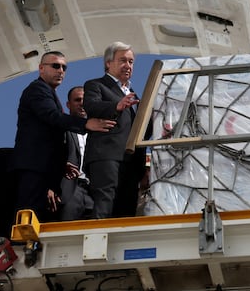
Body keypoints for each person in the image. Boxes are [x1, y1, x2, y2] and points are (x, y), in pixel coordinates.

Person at [11, 51, 116, 222]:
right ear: (41, 68)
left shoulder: (49, 93)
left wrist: (61, 165)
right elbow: (52, 116)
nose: (60, 70)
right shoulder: (37, 89)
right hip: (34, 168)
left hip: (45, 170)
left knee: (37, 220)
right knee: (28, 217)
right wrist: (86, 124)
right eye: (55, 66)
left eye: (64, 67)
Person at [83, 41, 151, 219]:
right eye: (122, 60)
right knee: (105, 205)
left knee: (127, 209)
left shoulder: (133, 94)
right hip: (106, 157)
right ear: (108, 63)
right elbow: (91, 106)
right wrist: (117, 106)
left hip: (132, 162)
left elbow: (139, 130)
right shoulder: (96, 85)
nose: (127, 66)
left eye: (131, 62)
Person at [59, 86, 94, 221]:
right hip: (69, 191)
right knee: (65, 235)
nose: (82, 103)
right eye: (77, 100)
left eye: (85, 100)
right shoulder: (62, 127)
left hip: (93, 192)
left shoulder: (99, 132)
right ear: (68, 105)